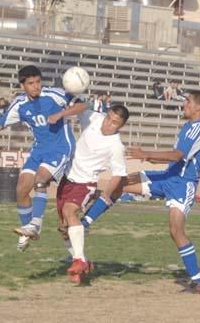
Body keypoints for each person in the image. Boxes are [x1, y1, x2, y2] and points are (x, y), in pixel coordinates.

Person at [82, 90, 200, 294]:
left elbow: (177, 155)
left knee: (176, 230)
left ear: (198, 108)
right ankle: (85, 223)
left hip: (182, 184)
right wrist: (149, 159)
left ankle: (198, 280)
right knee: (120, 183)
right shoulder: (188, 126)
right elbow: (175, 159)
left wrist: (146, 154)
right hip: (167, 177)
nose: (184, 104)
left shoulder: (198, 128)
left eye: (188, 102)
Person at [0, 65, 86, 251]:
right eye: (31, 83)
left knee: (40, 180)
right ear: (22, 85)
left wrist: (61, 113)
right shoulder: (19, 105)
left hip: (60, 148)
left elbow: (83, 105)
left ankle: (35, 225)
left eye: (38, 82)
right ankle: (28, 229)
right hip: (39, 149)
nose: (36, 86)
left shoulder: (54, 94)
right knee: (21, 189)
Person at [56, 104, 129, 284]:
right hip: (66, 178)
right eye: (108, 118)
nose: (108, 124)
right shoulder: (94, 118)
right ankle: (84, 263)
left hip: (85, 182)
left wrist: (106, 194)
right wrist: (65, 110)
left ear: (121, 126)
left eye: (114, 123)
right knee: (64, 229)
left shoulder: (116, 146)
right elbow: (80, 107)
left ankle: (79, 260)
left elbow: (119, 174)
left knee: (69, 211)